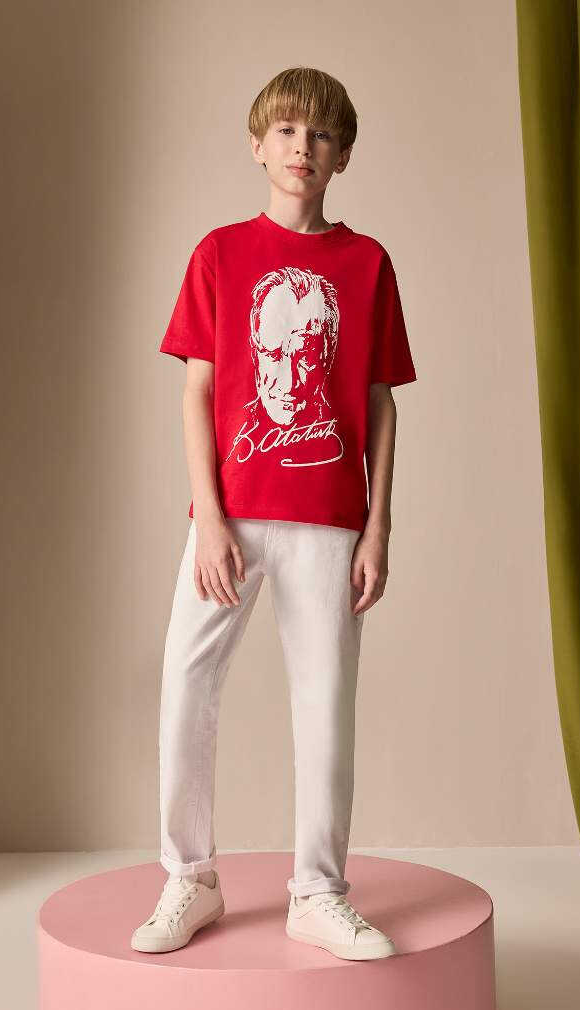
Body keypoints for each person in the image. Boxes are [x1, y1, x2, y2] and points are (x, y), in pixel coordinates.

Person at [131, 66, 416, 961]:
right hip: (232, 515)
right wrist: (209, 518)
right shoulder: (219, 255)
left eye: (322, 134)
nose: (303, 147)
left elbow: (379, 404)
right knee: (186, 685)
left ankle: (318, 892)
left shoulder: (367, 265)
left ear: (343, 156)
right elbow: (196, 392)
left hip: (331, 520)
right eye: (288, 131)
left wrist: (378, 527)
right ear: (258, 145)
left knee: (325, 703)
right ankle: (190, 877)